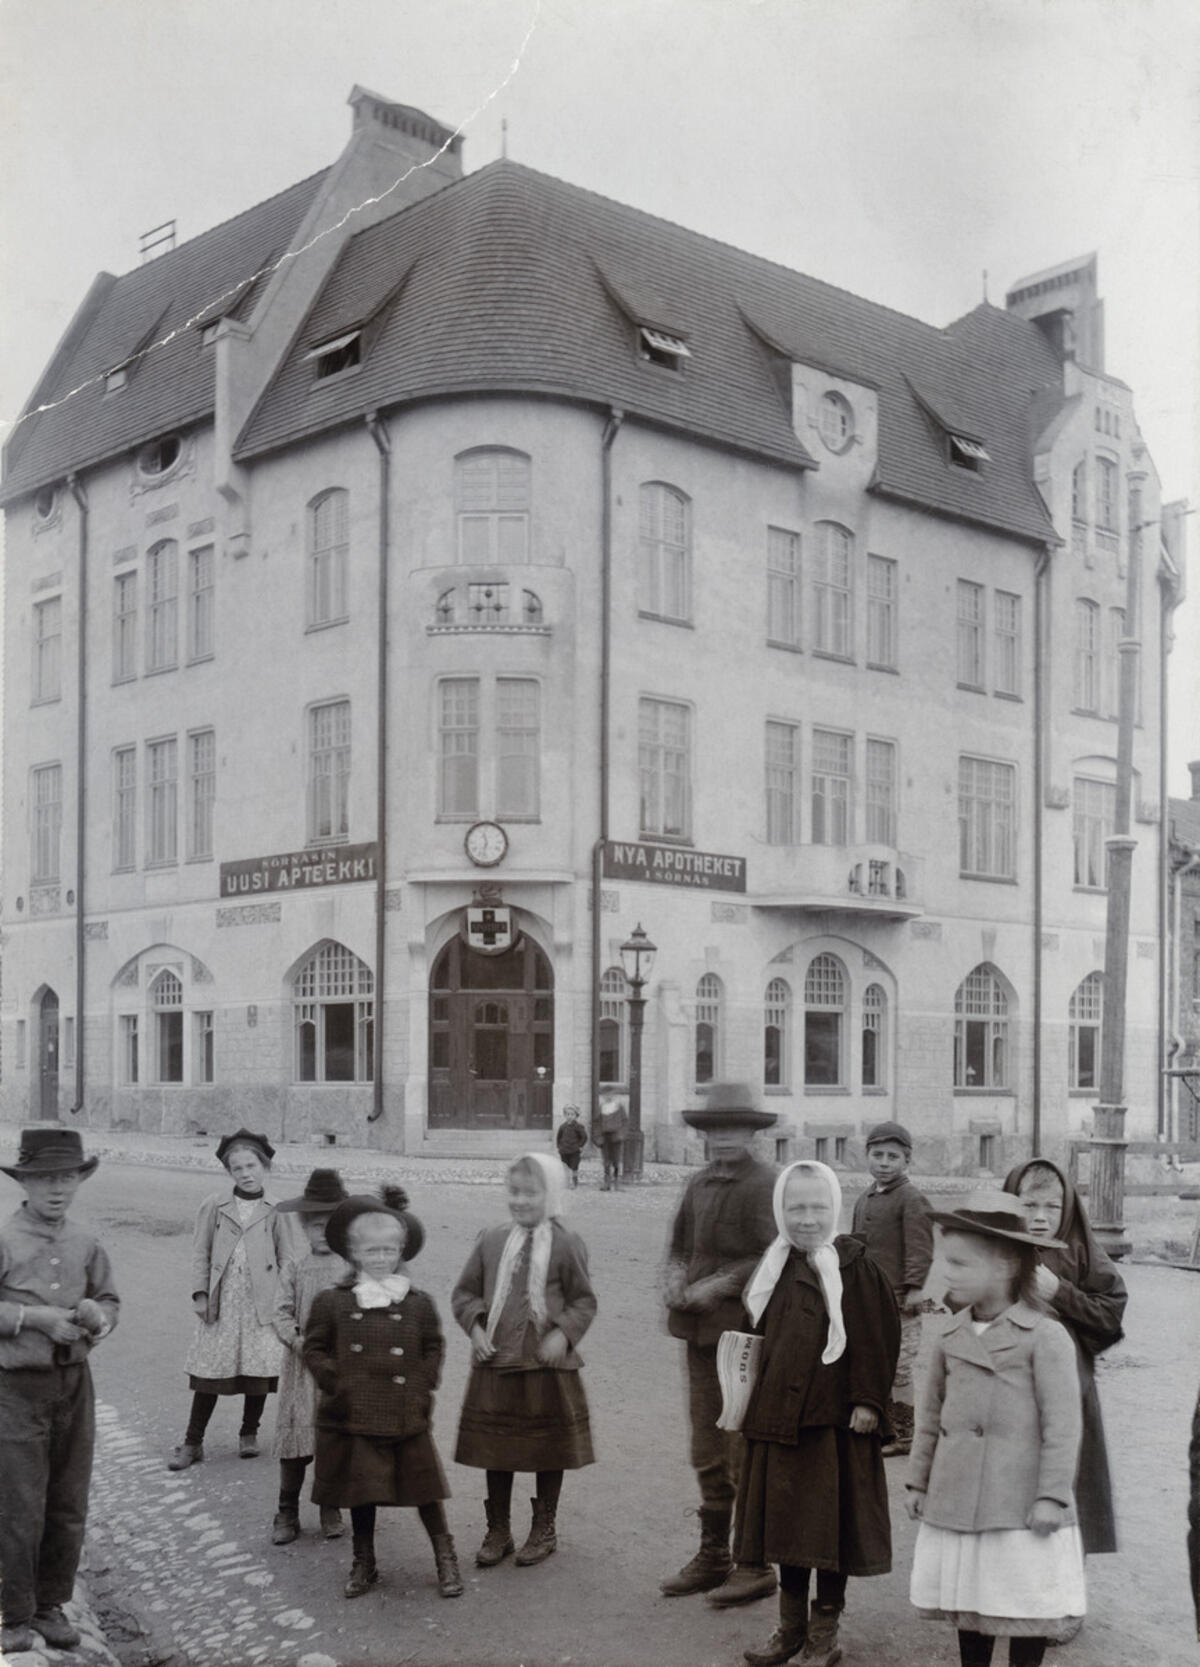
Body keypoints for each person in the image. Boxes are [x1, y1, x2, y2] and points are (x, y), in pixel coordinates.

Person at [907, 1194, 1086, 1667]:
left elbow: (1063, 1425)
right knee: (973, 1604)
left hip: (1021, 1507)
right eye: (948, 1262)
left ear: (1006, 1265)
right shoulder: (951, 1335)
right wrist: (919, 1481)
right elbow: (931, 1416)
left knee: (1023, 1604)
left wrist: (1052, 1495)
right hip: (961, 1497)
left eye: (962, 1264)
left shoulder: (1045, 1337)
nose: (948, 1274)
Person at [735, 1160, 899, 1667]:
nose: (807, 1218)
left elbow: (877, 1340)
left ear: (834, 1208)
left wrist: (868, 1401)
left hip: (835, 1426)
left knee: (830, 1532)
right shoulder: (772, 1269)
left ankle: (823, 1632)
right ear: (781, 1210)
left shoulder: (856, 1269)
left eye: (818, 1207)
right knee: (786, 1529)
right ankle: (790, 1630)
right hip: (780, 1424)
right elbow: (753, 1340)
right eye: (796, 1207)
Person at [304, 1186, 462, 1600]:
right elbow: (315, 1347)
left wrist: (422, 1385)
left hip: (404, 1411)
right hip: (353, 1412)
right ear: (354, 1254)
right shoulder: (333, 1302)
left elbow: (433, 1346)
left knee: (425, 1489)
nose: (380, 1259)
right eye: (371, 1252)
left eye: (389, 1251)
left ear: (401, 1252)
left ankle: (445, 1555)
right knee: (362, 1491)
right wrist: (334, 1381)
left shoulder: (416, 1303)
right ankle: (364, 1560)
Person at [0, 1126, 119, 1656]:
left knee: (68, 1501)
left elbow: (110, 1299)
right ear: (25, 1183)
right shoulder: (5, 1239)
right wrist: (33, 1317)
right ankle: (14, 1614)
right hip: (15, 1389)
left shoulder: (85, 1241)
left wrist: (98, 1316)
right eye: (45, 1178)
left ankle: (52, 1605)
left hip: (74, 1386)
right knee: (19, 1503)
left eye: (67, 1177)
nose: (57, 1189)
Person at [660, 1082, 779, 1610]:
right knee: (705, 1445)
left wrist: (720, 1285)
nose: (723, 1138)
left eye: (735, 1128)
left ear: (753, 1132)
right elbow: (680, 1244)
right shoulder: (700, 1182)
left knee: (740, 1446)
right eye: (715, 1129)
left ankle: (753, 1563)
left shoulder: (766, 1185)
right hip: (696, 1333)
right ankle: (712, 1556)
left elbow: (774, 1255)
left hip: (742, 1333)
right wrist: (675, 1275)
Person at [452, 1152, 596, 1568]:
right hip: (496, 1362)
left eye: (531, 1193)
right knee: (496, 1447)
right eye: (513, 1192)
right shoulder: (492, 1240)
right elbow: (465, 1293)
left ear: (550, 1195)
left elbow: (583, 1301)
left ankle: (543, 1527)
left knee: (547, 1447)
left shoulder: (567, 1244)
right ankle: (498, 1529)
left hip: (545, 1368)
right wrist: (477, 1329)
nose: (520, 1201)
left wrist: (562, 1333)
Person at [1001, 1159, 1124, 1556]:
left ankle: (1068, 1584)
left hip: (1068, 1387)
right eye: (1028, 1205)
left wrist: (1061, 1293)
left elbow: (1110, 1312)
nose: (1038, 1218)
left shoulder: (1081, 1251)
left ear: (1067, 1207)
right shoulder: (995, 1246)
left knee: (1066, 1483)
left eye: (1050, 1208)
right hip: (1007, 1386)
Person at [168, 1129, 298, 1470]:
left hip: (261, 1304)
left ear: (265, 1166)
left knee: (257, 1369)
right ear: (230, 1173)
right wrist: (200, 1293)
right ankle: (193, 1441)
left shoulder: (275, 1209)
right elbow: (200, 1252)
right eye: (238, 1168)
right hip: (223, 1300)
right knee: (211, 1370)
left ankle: (248, 1433)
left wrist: (285, 1301)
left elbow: (288, 1259)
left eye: (252, 1166)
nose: (246, 1174)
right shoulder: (214, 1206)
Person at [269, 1167, 351, 1545]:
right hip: (303, 1369)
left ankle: (329, 1504)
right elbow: (280, 1312)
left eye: (330, 1224)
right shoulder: (294, 1268)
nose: (321, 1232)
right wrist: (297, 1341)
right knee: (297, 1443)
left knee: (332, 1439)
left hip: (338, 1369)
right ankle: (286, 1510)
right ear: (303, 1226)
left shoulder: (351, 1270)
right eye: (314, 1224)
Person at [850, 1120, 933, 1456]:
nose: (883, 1163)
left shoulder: (911, 1198)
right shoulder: (865, 1197)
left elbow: (920, 1248)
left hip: (901, 1301)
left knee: (900, 1366)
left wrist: (914, 1289)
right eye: (877, 1155)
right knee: (874, 1361)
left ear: (907, 1161)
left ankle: (905, 1432)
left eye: (892, 1157)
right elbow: (855, 1244)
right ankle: (881, 1424)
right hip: (868, 1299)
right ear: (867, 1156)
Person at [594, 1095, 628, 1190]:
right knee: (606, 1161)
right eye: (606, 1095)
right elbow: (596, 1123)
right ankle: (607, 1182)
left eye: (611, 1094)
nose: (608, 1097)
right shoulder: (602, 1108)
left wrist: (621, 1135)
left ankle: (617, 1182)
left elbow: (625, 1122)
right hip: (605, 1138)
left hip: (616, 1138)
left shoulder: (619, 1107)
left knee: (616, 1161)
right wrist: (598, 1137)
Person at [555, 1106, 588, 1188]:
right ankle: (566, 1181)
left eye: (572, 1114)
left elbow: (584, 1137)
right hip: (564, 1150)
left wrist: (580, 1146)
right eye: (568, 1114)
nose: (570, 1116)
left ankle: (574, 1181)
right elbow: (558, 1137)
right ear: (565, 1115)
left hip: (574, 1150)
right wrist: (559, 1147)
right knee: (565, 1167)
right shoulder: (562, 1127)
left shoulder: (578, 1126)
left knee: (574, 1166)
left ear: (576, 1116)